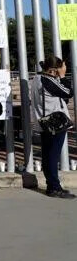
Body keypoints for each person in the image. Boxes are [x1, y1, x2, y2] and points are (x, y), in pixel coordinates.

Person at [30, 56, 76, 199]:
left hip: (44, 122)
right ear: (53, 70)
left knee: (48, 154)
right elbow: (68, 92)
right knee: (53, 155)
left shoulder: (37, 79)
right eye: (60, 68)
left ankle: (52, 185)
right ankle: (54, 187)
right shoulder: (48, 80)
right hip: (54, 123)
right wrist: (62, 77)